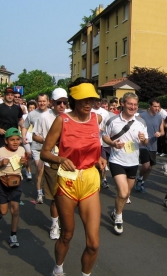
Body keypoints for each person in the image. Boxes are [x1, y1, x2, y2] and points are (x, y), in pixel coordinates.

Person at [40, 78, 106, 276]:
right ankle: (58, 268)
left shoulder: (97, 119)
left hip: (90, 180)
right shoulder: (62, 120)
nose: (88, 104)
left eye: (91, 100)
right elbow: (45, 152)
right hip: (67, 181)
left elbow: (95, 144)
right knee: (67, 234)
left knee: (93, 244)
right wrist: (60, 159)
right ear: (73, 100)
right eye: (83, 99)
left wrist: (100, 157)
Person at [102, 92, 148, 235]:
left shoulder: (141, 122)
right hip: (117, 160)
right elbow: (104, 137)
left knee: (126, 193)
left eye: (135, 105)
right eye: (130, 104)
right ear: (123, 104)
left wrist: (143, 139)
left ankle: (116, 212)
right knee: (122, 192)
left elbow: (145, 142)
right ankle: (119, 219)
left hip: (133, 162)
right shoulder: (113, 120)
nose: (132, 107)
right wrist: (113, 144)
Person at [32, 88, 69, 239]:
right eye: (59, 102)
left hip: (69, 161)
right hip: (52, 161)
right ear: (52, 103)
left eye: (65, 103)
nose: (62, 105)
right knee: (55, 197)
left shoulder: (70, 116)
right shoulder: (44, 117)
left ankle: (65, 222)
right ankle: (55, 225)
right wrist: (50, 142)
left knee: (67, 196)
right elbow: (35, 136)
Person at [0, 127, 28, 248]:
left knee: (15, 210)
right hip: (2, 182)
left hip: (17, 182)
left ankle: (13, 235)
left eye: (18, 139)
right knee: (3, 211)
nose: (16, 142)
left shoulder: (22, 150)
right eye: (12, 140)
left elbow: (26, 163)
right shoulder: (0, 151)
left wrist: (25, 162)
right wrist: (1, 163)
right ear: (6, 141)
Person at [135, 97, 164, 193]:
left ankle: (141, 182)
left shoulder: (160, 117)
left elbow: (162, 131)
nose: (157, 108)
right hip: (143, 144)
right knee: (146, 165)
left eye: (158, 106)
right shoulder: (141, 116)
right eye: (155, 106)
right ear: (150, 106)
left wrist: (160, 134)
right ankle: (139, 178)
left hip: (153, 145)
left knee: (150, 167)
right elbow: (135, 128)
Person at [21, 93, 49, 186]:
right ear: (37, 102)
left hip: (50, 146)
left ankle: (45, 187)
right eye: (40, 101)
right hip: (36, 146)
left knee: (48, 171)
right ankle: (39, 191)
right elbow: (25, 126)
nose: (42, 103)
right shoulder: (32, 114)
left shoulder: (52, 113)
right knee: (39, 168)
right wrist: (23, 136)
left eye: (44, 101)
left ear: (48, 102)